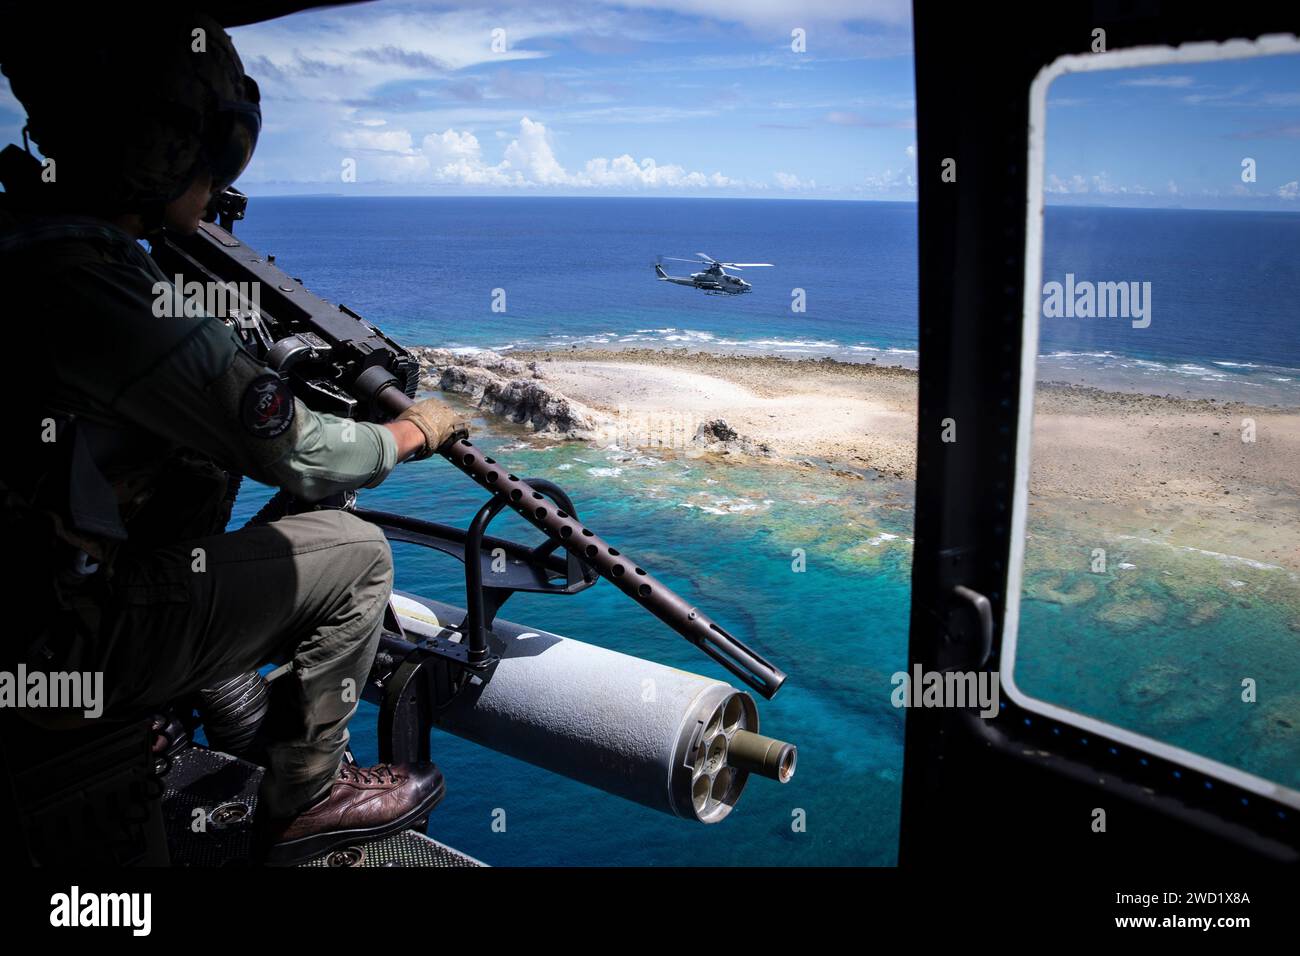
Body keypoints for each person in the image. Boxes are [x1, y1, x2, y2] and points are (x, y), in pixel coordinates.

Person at [0, 11, 468, 865]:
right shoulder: (96, 286)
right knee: (358, 553)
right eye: (213, 156)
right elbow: (296, 450)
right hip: (51, 644)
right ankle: (306, 797)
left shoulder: (27, 240)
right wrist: (408, 430)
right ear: (165, 151)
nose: (218, 185)